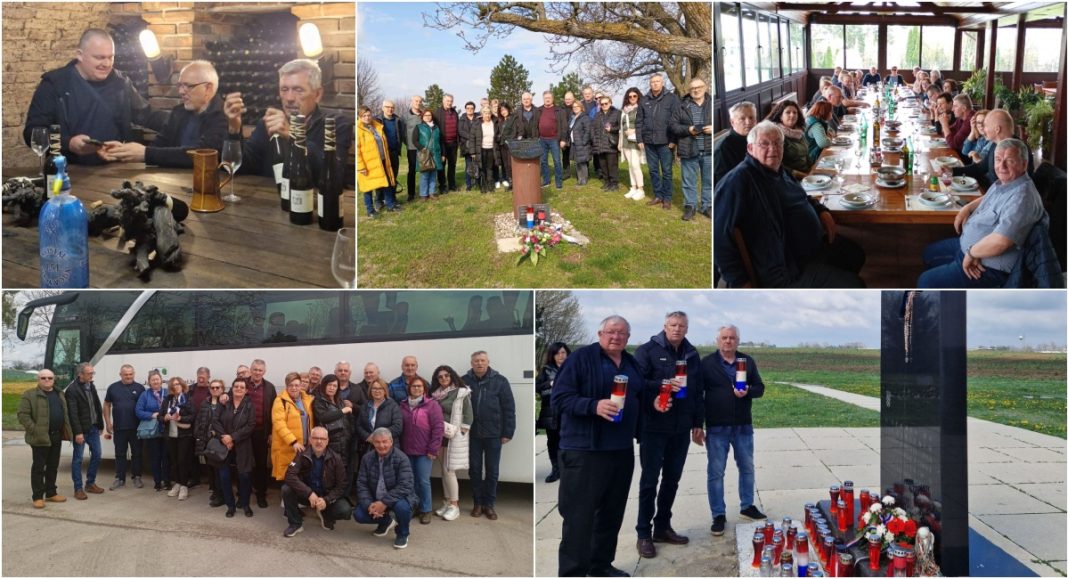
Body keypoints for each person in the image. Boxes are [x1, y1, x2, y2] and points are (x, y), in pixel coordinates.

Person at [714, 121, 866, 288]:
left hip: (810, 251)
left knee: (855, 254)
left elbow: (803, 197)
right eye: (764, 144)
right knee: (854, 284)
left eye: (778, 143)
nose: (773, 149)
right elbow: (719, 237)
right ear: (750, 148)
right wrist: (740, 281)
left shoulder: (780, 171)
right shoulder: (738, 181)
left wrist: (821, 211)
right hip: (786, 269)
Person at [552, 316, 649, 577]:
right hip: (584, 451)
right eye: (610, 332)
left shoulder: (631, 363)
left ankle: (600, 565)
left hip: (620, 450)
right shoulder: (581, 359)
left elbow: (639, 399)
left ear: (628, 338)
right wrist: (593, 406)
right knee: (579, 518)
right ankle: (573, 573)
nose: (615, 337)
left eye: (621, 333)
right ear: (600, 333)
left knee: (611, 514)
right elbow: (559, 399)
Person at [23, 28, 167, 165]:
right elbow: (33, 133)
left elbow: (146, 115)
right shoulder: (55, 84)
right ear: (79, 55)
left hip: (116, 168)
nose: (106, 64)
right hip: (68, 169)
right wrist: (68, 143)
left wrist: (182, 120)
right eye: (99, 58)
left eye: (111, 58)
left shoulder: (121, 81)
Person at [919, 138, 1046, 288]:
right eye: (998, 160)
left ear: (1024, 164)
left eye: (1010, 161)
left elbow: (1001, 242)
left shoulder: (1022, 199)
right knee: (928, 254)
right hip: (971, 249)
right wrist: (967, 208)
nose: (1002, 166)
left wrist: (972, 254)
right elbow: (989, 196)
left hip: (987, 267)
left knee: (925, 282)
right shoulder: (1008, 182)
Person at [632, 312, 701, 558]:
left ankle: (662, 527)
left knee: (672, 480)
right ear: (665, 326)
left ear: (687, 328)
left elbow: (696, 390)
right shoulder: (647, 351)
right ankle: (643, 534)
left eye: (682, 325)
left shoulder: (691, 354)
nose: (677, 329)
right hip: (653, 427)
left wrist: (697, 423)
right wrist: (662, 384)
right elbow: (636, 383)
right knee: (649, 482)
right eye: (673, 325)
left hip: (681, 429)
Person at [224, 58, 352, 183]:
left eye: (298, 90)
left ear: (317, 94)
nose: (289, 98)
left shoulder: (335, 124)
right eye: (284, 90)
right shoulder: (269, 122)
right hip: (269, 200)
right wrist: (233, 130)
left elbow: (335, 176)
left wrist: (293, 135)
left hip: (313, 202)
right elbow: (242, 167)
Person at [696, 325, 768, 536]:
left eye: (732, 338)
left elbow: (760, 388)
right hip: (717, 427)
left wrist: (747, 392)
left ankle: (747, 506)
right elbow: (697, 396)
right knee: (716, 473)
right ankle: (718, 515)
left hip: (743, 426)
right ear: (717, 340)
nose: (728, 341)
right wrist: (698, 424)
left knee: (747, 467)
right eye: (724, 338)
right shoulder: (707, 364)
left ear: (738, 341)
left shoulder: (746, 361)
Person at [98, 61, 226, 167]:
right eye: (180, 85)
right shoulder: (178, 112)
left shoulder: (225, 117)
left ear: (208, 88)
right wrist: (124, 150)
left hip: (208, 188)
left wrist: (145, 153)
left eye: (188, 86)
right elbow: (159, 146)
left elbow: (201, 154)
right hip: (175, 185)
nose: (181, 91)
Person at [463, 351, 516, 520]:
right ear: (471, 363)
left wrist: (508, 432)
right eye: (476, 361)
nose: (479, 363)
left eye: (482, 360)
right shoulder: (464, 381)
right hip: (472, 435)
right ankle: (478, 504)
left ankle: (490, 505)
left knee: (492, 472)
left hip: (494, 434)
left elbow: (509, 409)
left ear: (488, 362)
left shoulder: (500, 381)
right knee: (475, 470)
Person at [353, 428, 419, 549]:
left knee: (402, 508)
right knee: (359, 514)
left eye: (385, 441)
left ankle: (402, 533)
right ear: (373, 442)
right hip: (376, 498)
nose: (381, 445)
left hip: (397, 499)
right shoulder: (367, 458)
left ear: (391, 441)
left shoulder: (401, 458)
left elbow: (406, 485)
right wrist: (369, 504)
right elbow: (361, 484)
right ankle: (386, 522)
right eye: (377, 442)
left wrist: (384, 502)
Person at [281, 426, 351, 536]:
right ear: (310, 440)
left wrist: (326, 500)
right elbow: (290, 475)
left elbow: (341, 485)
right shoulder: (302, 454)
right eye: (315, 438)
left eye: (322, 439)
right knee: (286, 489)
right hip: (307, 495)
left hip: (325, 496)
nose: (319, 441)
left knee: (345, 510)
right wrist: (308, 493)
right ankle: (295, 524)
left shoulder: (336, 458)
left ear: (327, 441)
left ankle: (325, 513)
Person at [18, 370, 72, 508]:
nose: (47, 380)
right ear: (38, 379)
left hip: (56, 435)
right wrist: (35, 430)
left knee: (53, 466)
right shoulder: (29, 395)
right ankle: (37, 497)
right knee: (38, 467)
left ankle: (51, 493)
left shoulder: (59, 393)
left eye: (50, 378)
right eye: (43, 378)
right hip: (40, 437)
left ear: (54, 379)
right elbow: (23, 415)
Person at [428, 365, 473, 520]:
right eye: (440, 377)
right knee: (444, 470)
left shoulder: (461, 392)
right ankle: (447, 502)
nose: (444, 379)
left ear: (452, 376)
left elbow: (468, 414)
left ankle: (455, 505)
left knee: (449, 470)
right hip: (439, 435)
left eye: (446, 375)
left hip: (452, 436)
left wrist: (462, 432)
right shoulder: (435, 394)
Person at [399, 377, 444, 525]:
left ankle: (426, 510)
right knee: (409, 481)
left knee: (423, 481)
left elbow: (438, 429)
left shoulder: (432, 405)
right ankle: (414, 506)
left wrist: (433, 448)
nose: (416, 389)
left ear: (424, 389)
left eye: (419, 386)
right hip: (407, 450)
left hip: (425, 451)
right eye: (414, 386)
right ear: (409, 388)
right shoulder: (403, 405)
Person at [952, 109, 1035, 189]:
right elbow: (980, 168)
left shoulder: (1017, 150)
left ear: (997, 129)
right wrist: (952, 171)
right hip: (989, 192)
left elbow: (1011, 189)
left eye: (986, 126)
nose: (983, 129)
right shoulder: (995, 145)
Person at [213, 377, 256, 517]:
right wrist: (224, 437)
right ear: (232, 388)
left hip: (242, 444)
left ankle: (244, 503)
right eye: (236, 386)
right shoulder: (224, 402)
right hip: (224, 444)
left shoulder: (249, 405)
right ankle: (230, 505)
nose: (239, 389)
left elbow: (250, 425)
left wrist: (233, 437)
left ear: (246, 390)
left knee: (244, 476)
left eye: (242, 387)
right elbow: (215, 421)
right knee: (224, 476)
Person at [671, 78, 712, 221]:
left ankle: (707, 206)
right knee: (688, 181)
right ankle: (690, 206)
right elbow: (673, 126)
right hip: (688, 147)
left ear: (705, 87)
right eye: (692, 88)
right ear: (689, 91)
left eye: (699, 87)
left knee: (708, 180)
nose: (696, 90)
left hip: (709, 149)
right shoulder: (682, 106)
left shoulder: (712, 103)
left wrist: (713, 128)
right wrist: (688, 129)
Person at [638, 74, 679, 209]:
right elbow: (639, 121)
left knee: (667, 171)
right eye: (653, 82)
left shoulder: (672, 98)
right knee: (653, 170)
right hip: (649, 142)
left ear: (662, 83)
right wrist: (640, 139)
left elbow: (676, 120)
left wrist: (673, 140)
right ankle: (658, 195)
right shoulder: (644, 100)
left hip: (666, 142)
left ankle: (667, 198)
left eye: (657, 81)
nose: (655, 84)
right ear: (650, 84)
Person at [65, 362, 105, 500]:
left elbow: (97, 406)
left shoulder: (91, 385)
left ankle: (90, 483)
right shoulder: (72, 390)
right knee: (78, 459)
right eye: (89, 373)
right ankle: (78, 488)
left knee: (98, 455)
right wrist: (78, 432)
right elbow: (73, 414)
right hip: (81, 430)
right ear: (80, 374)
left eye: (92, 373)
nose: (92, 375)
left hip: (93, 428)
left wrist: (100, 425)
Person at [103, 364, 145, 490]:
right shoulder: (113, 388)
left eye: (130, 374)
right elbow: (106, 405)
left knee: (137, 454)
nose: (128, 376)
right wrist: (108, 423)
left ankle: (137, 477)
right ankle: (119, 478)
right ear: (120, 374)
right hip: (119, 427)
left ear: (134, 374)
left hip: (136, 428)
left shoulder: (140, 388)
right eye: (125, 374)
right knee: (120, 454)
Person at [271, 372, 316, 485]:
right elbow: (279, 424)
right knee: (288, 475)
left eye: (296, 385)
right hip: (288, 445)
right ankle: (286, 500)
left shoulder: (307, 400)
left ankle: (298, 498)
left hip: (305, 445)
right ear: (286, 386)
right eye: (291, 385)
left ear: (301, 385)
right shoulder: (280, 401)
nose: (294, 388)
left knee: (300, 474)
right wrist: (293, 442)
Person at [537, 343, 570, 484]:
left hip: (569, 410)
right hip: (551, 411)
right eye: (557, 353)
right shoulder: (546, 370)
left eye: (563, 352)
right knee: (553, 441)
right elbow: (537, 387)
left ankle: (568, 469)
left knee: (568, 441)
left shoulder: (573, 368)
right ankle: (556, 469)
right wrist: (549, 384)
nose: (561, 356)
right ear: (552, 355)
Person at [246, 359, 277, 508]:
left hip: (261, 432)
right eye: (255, 369)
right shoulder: (241, 383)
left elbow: (273, 412)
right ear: (250, 370)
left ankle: (261, 494)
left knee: (261, 464)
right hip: (243, 432)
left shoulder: (270, 387)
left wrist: (271, 433)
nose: (257, 372)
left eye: (260, 370)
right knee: (244, 463)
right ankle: (243, 493)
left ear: (264, 372)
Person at [357, 105, 396, 219]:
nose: (367, 117)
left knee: (386, 183)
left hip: (382, 160)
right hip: (367, 165)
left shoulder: (377, 126)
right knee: (368, 188)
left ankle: (390, 205)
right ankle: (370, 210)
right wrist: (361, 166)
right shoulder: (358, 130)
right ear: (360, 116)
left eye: (369, 115)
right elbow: (357, 150)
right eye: (364, 116)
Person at [135, 370, 170, 491]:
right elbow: (138, 411)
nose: (156, 381)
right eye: (153, 380)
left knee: (166, 457)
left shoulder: (168, 392)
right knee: (155, 457)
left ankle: (167, 481)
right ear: (149, 382)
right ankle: (157, 482)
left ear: (161, 380)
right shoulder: (145, 395)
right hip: (152, 431)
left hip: (167, 430)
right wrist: (152, 415)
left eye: (157, 379)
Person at [194, 378, 227, 508]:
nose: (215, 390)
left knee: (220, 469)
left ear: (222, 389)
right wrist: (198, 434)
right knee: (211, 468)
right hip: (207, 440)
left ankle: (221, 495)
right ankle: (215, 490)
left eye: (218, 387)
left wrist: (218, 434)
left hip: (220, 440)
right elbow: (199, 420)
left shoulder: (226, 403)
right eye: (212, 387)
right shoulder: (205, 403)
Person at [355, 379, 404, 463]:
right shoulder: (365, 406)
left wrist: (379, 437)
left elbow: (398, 427)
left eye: (380, 388)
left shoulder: (393, 406)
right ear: (370, 391)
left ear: (385, 391)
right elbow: (359, 425)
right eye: (374, 388)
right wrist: (367, 436)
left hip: (387, 447)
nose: (377, 391)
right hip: (368, 447)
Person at [313, 374, 354, 473]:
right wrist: (342, 411)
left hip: (344, 442)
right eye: (329, 385)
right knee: (330, 471)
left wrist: (351, 431)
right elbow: (323, 417)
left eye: (335, 386)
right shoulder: (319, 400)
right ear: (324, 385)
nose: (332, 388)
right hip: (330, 442)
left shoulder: (339, 400)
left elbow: (348, 419)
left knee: (343, 471)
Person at [162, 377, 194, 501]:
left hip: (184, 435)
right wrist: (164, 417)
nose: (176, 386)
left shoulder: (187, 399)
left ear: (182, 385)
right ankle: (178, 483)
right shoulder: (167, 400)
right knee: (174, 461)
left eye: (178, 384)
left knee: (182, 460)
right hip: (170, 435)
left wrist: (181, 418)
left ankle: (184, 486)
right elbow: (160, 415)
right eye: (173, 385)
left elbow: (192, 416)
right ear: (170, 387)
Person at [766, 99, 811, 180]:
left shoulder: (799, 131)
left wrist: (812, 170)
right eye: (788, 112)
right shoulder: (775, 134)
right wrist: (801, 175)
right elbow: (777, 165)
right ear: (780, 117)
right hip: (789, 178)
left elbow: (806, 154)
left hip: (806, 173)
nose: (792, 115)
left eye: (795, 112)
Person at [533, 91, 569, 190]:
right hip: (542, 140)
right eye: (545, 98)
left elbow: (564, 126)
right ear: (543, 99)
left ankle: (558, 182)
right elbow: (535, 125)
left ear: (553, 98)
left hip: (555, 140)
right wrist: (536, 138)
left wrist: (563, 139)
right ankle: (546, 181)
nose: (547, 99)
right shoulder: (539, 110)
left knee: (557, 161)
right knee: (543, 161)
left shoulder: (559, 110)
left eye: (549, 97)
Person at [713, 101, 755, 182]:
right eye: (742, 118)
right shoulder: (723, 148)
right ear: (732, 122)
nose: (748, 122)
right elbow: (724, 182)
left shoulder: (756, 138)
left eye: (751, 117)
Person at [619, 87, 645, 200]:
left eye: (634, 96)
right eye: (630, 96)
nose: (632, 98)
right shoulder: (624, 110)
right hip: (625, 141)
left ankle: (641, 189)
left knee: (635, 165)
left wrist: (633, 130)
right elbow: (621, 126)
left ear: (638, 96)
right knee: (630, 165)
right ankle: (633, 187)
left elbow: (644, 124)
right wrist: (620, 142)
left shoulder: (641, 108)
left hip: (635, 140)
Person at [592, 95, 622, 192]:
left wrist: (612, 129)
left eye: (606, 103)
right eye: (602, 104)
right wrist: (594, 139)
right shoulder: (597, 115)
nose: (604, 105)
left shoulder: (617, 113)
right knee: (603, 165)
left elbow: (621, 127)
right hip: (600, 144)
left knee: (612, 165)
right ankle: (607, 182)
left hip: (610, 143)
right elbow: (593, 128)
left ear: (610, 103)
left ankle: (614, 183)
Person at [377, 100, 403, 209]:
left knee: (393, 177)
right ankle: (379, 200)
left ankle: (392, 198)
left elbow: (400, 135)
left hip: (393, 153)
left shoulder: (397, 120)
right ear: (382, 108)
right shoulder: (377, 120)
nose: (390, 109)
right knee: (381, 178)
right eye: (387, 107)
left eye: (392, 107)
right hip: (382, 154)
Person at [468, 107, 500, 193]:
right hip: (481, 149)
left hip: (491, 149)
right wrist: (473, 152)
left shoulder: (494, 123)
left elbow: (498, 135)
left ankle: (490, 186)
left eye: (489, 113)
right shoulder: (477, 124)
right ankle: (483, 186)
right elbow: (472, 138)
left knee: (490, 168)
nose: (487, 115)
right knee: (482, 168)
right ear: (482, 114)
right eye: (485, 113)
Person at [434, 94, 461, 192]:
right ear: (443, 101)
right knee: (441, 165)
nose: (449, 103)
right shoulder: (437, 112)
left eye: (451, 101)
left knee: (452, 165)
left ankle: (452, 185)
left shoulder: (454, 112)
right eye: (447, 101)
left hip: (453, 144)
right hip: (442, 144)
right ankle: (442, 186)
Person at [415, 109, 444, 201]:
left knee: (433, 174)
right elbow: (414, 140)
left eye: (429, 115)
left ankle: (432, 192)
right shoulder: (418, 127)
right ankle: (423, 194)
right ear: (422, 117)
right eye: (426, 115)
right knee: (424, 174)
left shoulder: (436, 127)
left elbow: (441, 141)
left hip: (435, 154)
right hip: (425, 154)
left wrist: (443, 154)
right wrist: (422, 148)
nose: (428, 117)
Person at [402, 95, 424, 202]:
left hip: (423, 147)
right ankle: (411, 193)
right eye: (416, 101)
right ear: (412, 101)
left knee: (425, 169)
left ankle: (424, 191)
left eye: (420, 101)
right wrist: (408, 144)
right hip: (412, 148)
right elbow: (403, 133)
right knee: (412, 171)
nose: (418, 103)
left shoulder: (423, 115)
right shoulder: (405, 116)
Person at [567, 101, 592, 187]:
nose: (575, 108)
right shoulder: (573, 118)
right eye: (573, 107)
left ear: (581, 107)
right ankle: (580, 179)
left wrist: (584, 142)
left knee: (582, 162)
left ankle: (583, 180)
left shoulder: (584, 117)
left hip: (581, 144)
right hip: (574, 143)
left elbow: (588, 131)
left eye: (577, 106)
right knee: (577, 162)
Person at [458, 101, 479, 191]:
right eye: (468, 108)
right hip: (466, 146)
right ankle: (468, 184)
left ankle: (478, 182)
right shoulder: (462, 119)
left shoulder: (477, 118)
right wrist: (471, 137)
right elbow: (460, 131)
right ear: (465, 109)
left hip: (477, 145)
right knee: (468, 165)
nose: (470, 110)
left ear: (474, 109)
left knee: (478, 164)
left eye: (471, 108)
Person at [496, 102, 516, 189]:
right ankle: (510, 181)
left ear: (508, 109)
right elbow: (498, 132)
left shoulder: (513, 119)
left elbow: (515, 131)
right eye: (501, 110)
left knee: (511, 164)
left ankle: (515, 182)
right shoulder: (500, 121)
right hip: (502, 145)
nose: (503, 112)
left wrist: (509, 139)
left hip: (511, 145)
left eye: (504, 109)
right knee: (506, 165)